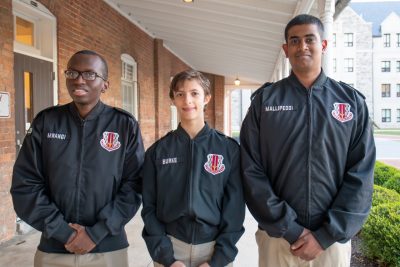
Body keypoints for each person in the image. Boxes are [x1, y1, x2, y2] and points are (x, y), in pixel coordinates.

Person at [240, 14, 376, 267]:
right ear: (285, 49)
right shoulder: (265, 102)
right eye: (294, 40)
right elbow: (251, 170)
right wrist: (289, 228)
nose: (302, 46)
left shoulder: (351, 102)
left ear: (323, 44)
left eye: (309, 39)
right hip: (278, 238)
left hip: (331, 243)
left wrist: (325, 235)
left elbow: (361, 174)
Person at [10, 50, 145, 267]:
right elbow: (25, 185)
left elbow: (134, 186)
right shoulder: (47, 122)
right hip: (54, 248)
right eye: (72, 73)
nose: (79, 80)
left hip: (108, 248)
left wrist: (96, 232)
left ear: (105, 85)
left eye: (90, 74)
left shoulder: (124, 125)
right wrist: (65, 233)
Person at [141, 69, 245, 267]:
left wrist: (219, 259)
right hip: (171, 248)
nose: (187, 100)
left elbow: (235, 208)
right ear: (173, 99)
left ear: (207, 98)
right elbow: (149, 207)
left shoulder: (228, 149)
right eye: (180, 94)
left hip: (213, 250)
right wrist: (166, 257)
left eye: (194, 93)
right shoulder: (157, 151)